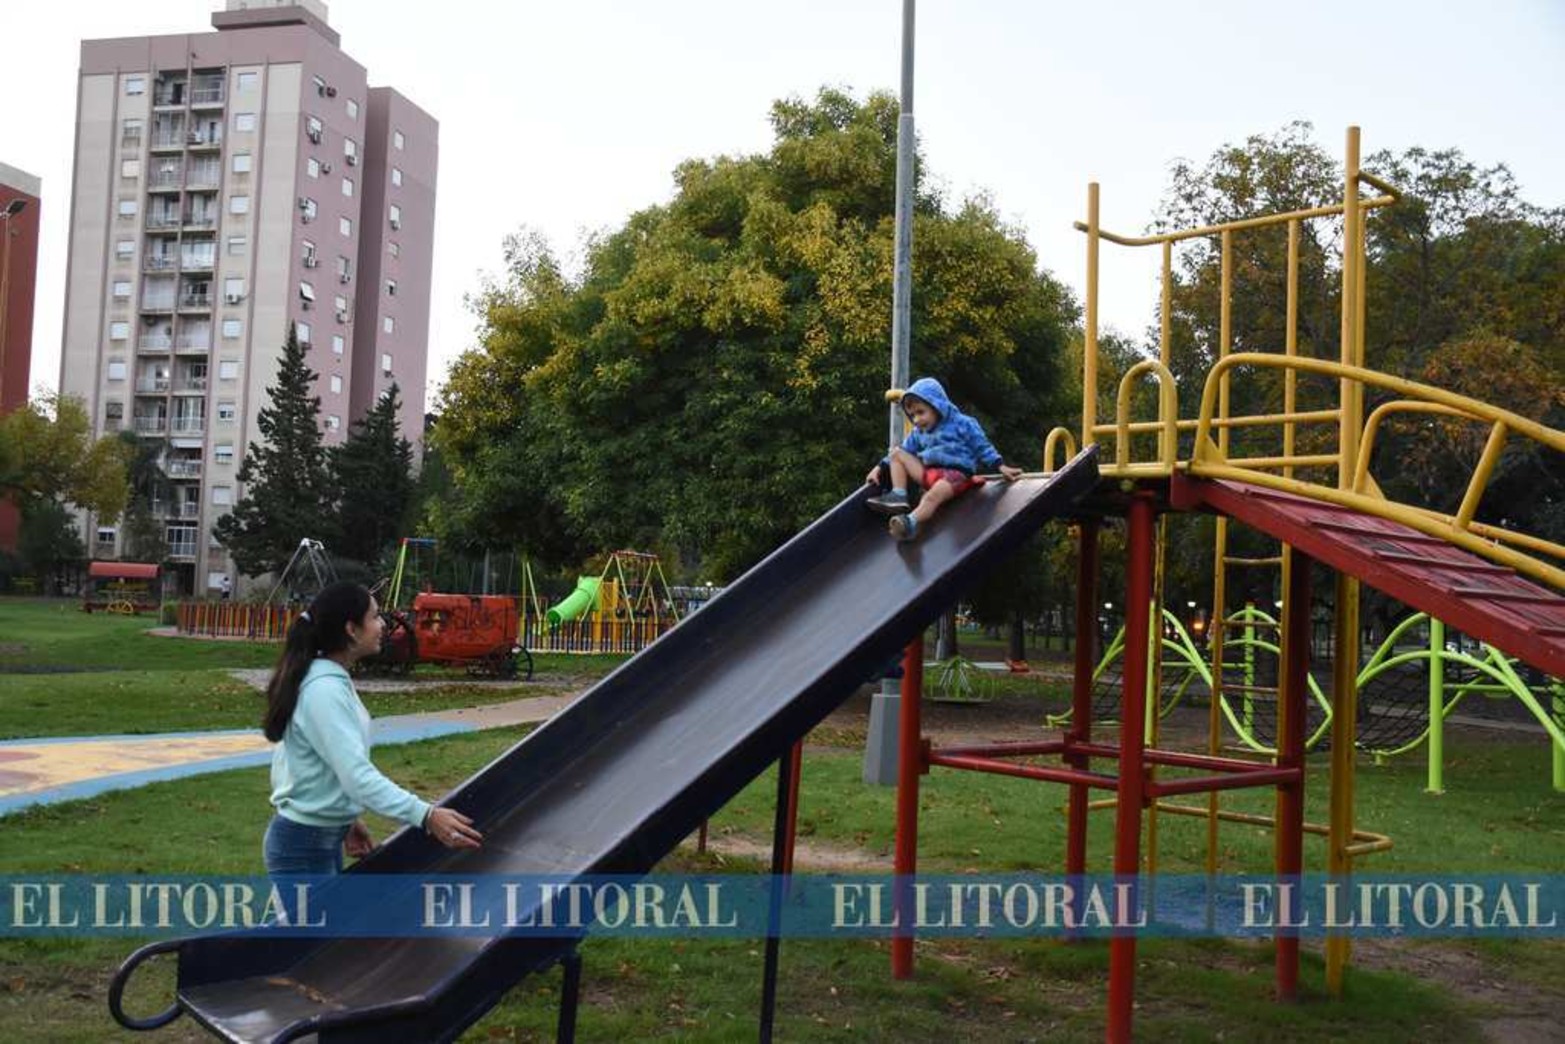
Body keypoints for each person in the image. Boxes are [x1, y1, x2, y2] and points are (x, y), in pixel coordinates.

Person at [262, 581, 482, 875]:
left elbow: (317, 762)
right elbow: (357, 776)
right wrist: (426, 816)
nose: (382, 625)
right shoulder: (324, 690)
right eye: (375, 617)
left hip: (317, 840)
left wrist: (347, 819)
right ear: (351, 630)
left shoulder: (327, 680)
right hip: (303, 849)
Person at [865, 376, 1023, 542]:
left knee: (930, 498)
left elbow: (981, 446)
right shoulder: (919, 432)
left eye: (920, 412)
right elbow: (904, 450)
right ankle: (898, 494)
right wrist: (878, 468)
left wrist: (1000, 465)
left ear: (937, 406)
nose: (917, 420)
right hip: (930, 474)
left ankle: (910, 522)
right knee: (897, 453)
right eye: (912, 416)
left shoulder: (962, 423)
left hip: (955, 475)